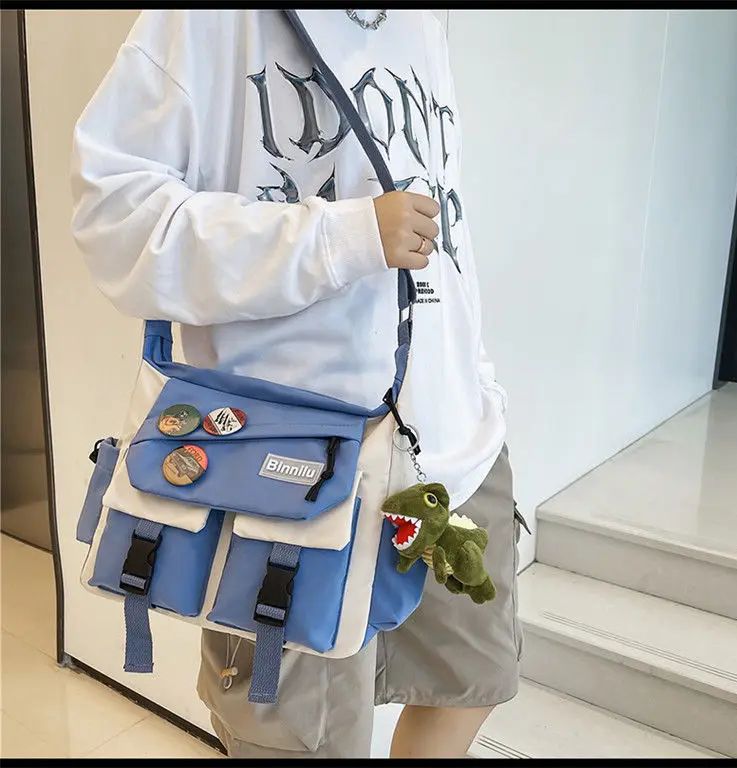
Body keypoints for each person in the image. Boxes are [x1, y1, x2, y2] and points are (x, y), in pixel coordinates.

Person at [71, 8, 523, 759]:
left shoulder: (424, 21)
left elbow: (444, 224)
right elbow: (115, 219)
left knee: (470, 683)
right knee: (296, 741)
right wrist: (340, 238)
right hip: (289, 475)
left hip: (456, 450)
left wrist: (478, 383)